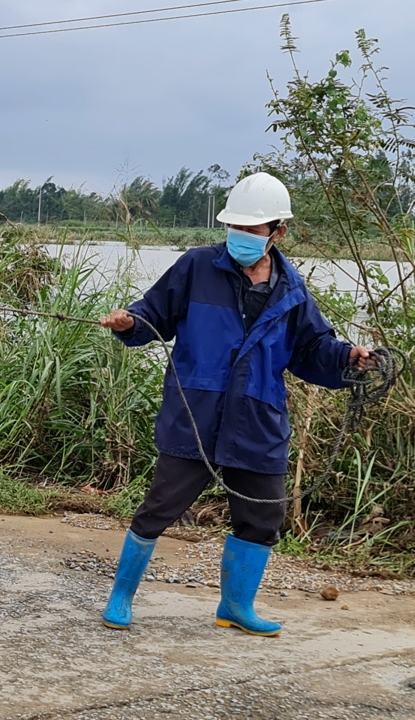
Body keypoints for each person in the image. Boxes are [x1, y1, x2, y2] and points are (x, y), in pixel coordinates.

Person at [98, 171, 374, 637]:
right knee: (160, 507)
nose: (241, 237)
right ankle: (121, 596)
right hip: (196, 413)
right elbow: (152, 315)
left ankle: (235, 606)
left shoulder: (291, 290)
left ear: (278, 232)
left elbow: (312, 351)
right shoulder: (195, 266)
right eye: (236, 228)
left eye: (253, 229)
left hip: (258, 418)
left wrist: (349, 358)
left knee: (264, 516)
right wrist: (129, 323)